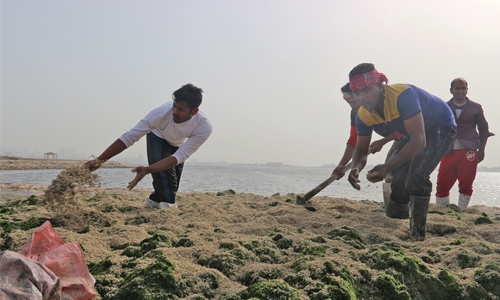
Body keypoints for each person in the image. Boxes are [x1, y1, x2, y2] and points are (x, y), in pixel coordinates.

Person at [346, 63, 456, 241]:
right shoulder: (363, 115)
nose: (361, 97)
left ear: (380, 86)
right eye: (357, 93)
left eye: (366, 90)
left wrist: (387, 165)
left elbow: (419, 140)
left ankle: (417, 234)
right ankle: (398, 220)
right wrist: (355, 169)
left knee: (417, 175)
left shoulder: (402, 96)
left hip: (439, 125)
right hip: (411, 131)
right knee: (398, 175)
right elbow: (360, 150)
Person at [85, 83, 213, 209]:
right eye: (174, 106)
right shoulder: (160, 113)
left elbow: (181, 155)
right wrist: (99, 160)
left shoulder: (203, 126)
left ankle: (153, 202)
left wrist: (147, 170)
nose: (175, 112)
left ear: (194, 111)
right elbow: (129, 137)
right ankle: (167, 210)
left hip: (178, 147)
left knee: (169, 187)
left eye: (181, 109)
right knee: (169, 187)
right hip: (158, 137)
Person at [332, 83, 402, 208]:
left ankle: (398, 207)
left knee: (393, 168)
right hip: (398, 137)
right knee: (390, 170)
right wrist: (342, 164)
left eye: (353, 101)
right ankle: (392, 206)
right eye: (348, 103)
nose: (352, 106)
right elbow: (354, 141)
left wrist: (383, 141)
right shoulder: (356, 114)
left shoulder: (383, 105)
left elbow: (405, 128)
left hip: (414, 135)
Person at [435, 78, 494, 209]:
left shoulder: (475, 108)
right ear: (451, 90)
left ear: (467, 90)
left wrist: (482, 150)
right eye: (457, 88)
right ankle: (442, 211)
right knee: (442, 182)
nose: (461, 91)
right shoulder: (444, 107)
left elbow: (484, 129)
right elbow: (436, 128)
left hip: (468, 150)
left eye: (463, 88)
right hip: (448, 151)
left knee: (466, 183)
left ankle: (462, 211)